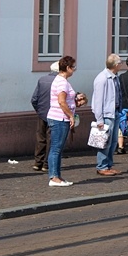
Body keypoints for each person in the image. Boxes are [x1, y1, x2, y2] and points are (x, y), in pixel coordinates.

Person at [47, 56, 78, 187]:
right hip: (59, 118)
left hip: (59, 117)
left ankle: (57, 175)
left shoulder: (61, 80)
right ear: (67, 68)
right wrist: (71, 115)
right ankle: (54, 177)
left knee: (58, 148)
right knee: (56, 148)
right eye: (73, 67)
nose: (74, 70)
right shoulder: (62, 82)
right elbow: (61, 101)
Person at [91, 54, 123, 176]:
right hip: (106, 114)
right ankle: (102, 166)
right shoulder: (102, 78)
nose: (121, 65)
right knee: (105, 142)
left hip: (114, 112)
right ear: (115, 65)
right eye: (120, 63)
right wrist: (99, 119)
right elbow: (98, 100)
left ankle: (109, 164)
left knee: (113, 141)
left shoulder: (114, 77)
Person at [30, 62, 60, 171]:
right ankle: (46, 164)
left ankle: (38, 162)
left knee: (40, 138)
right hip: (55, 114)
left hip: (42, 113)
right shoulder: (60, 81)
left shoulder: (42, 79)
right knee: (51, 139)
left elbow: (34, 99)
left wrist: (39, 110)